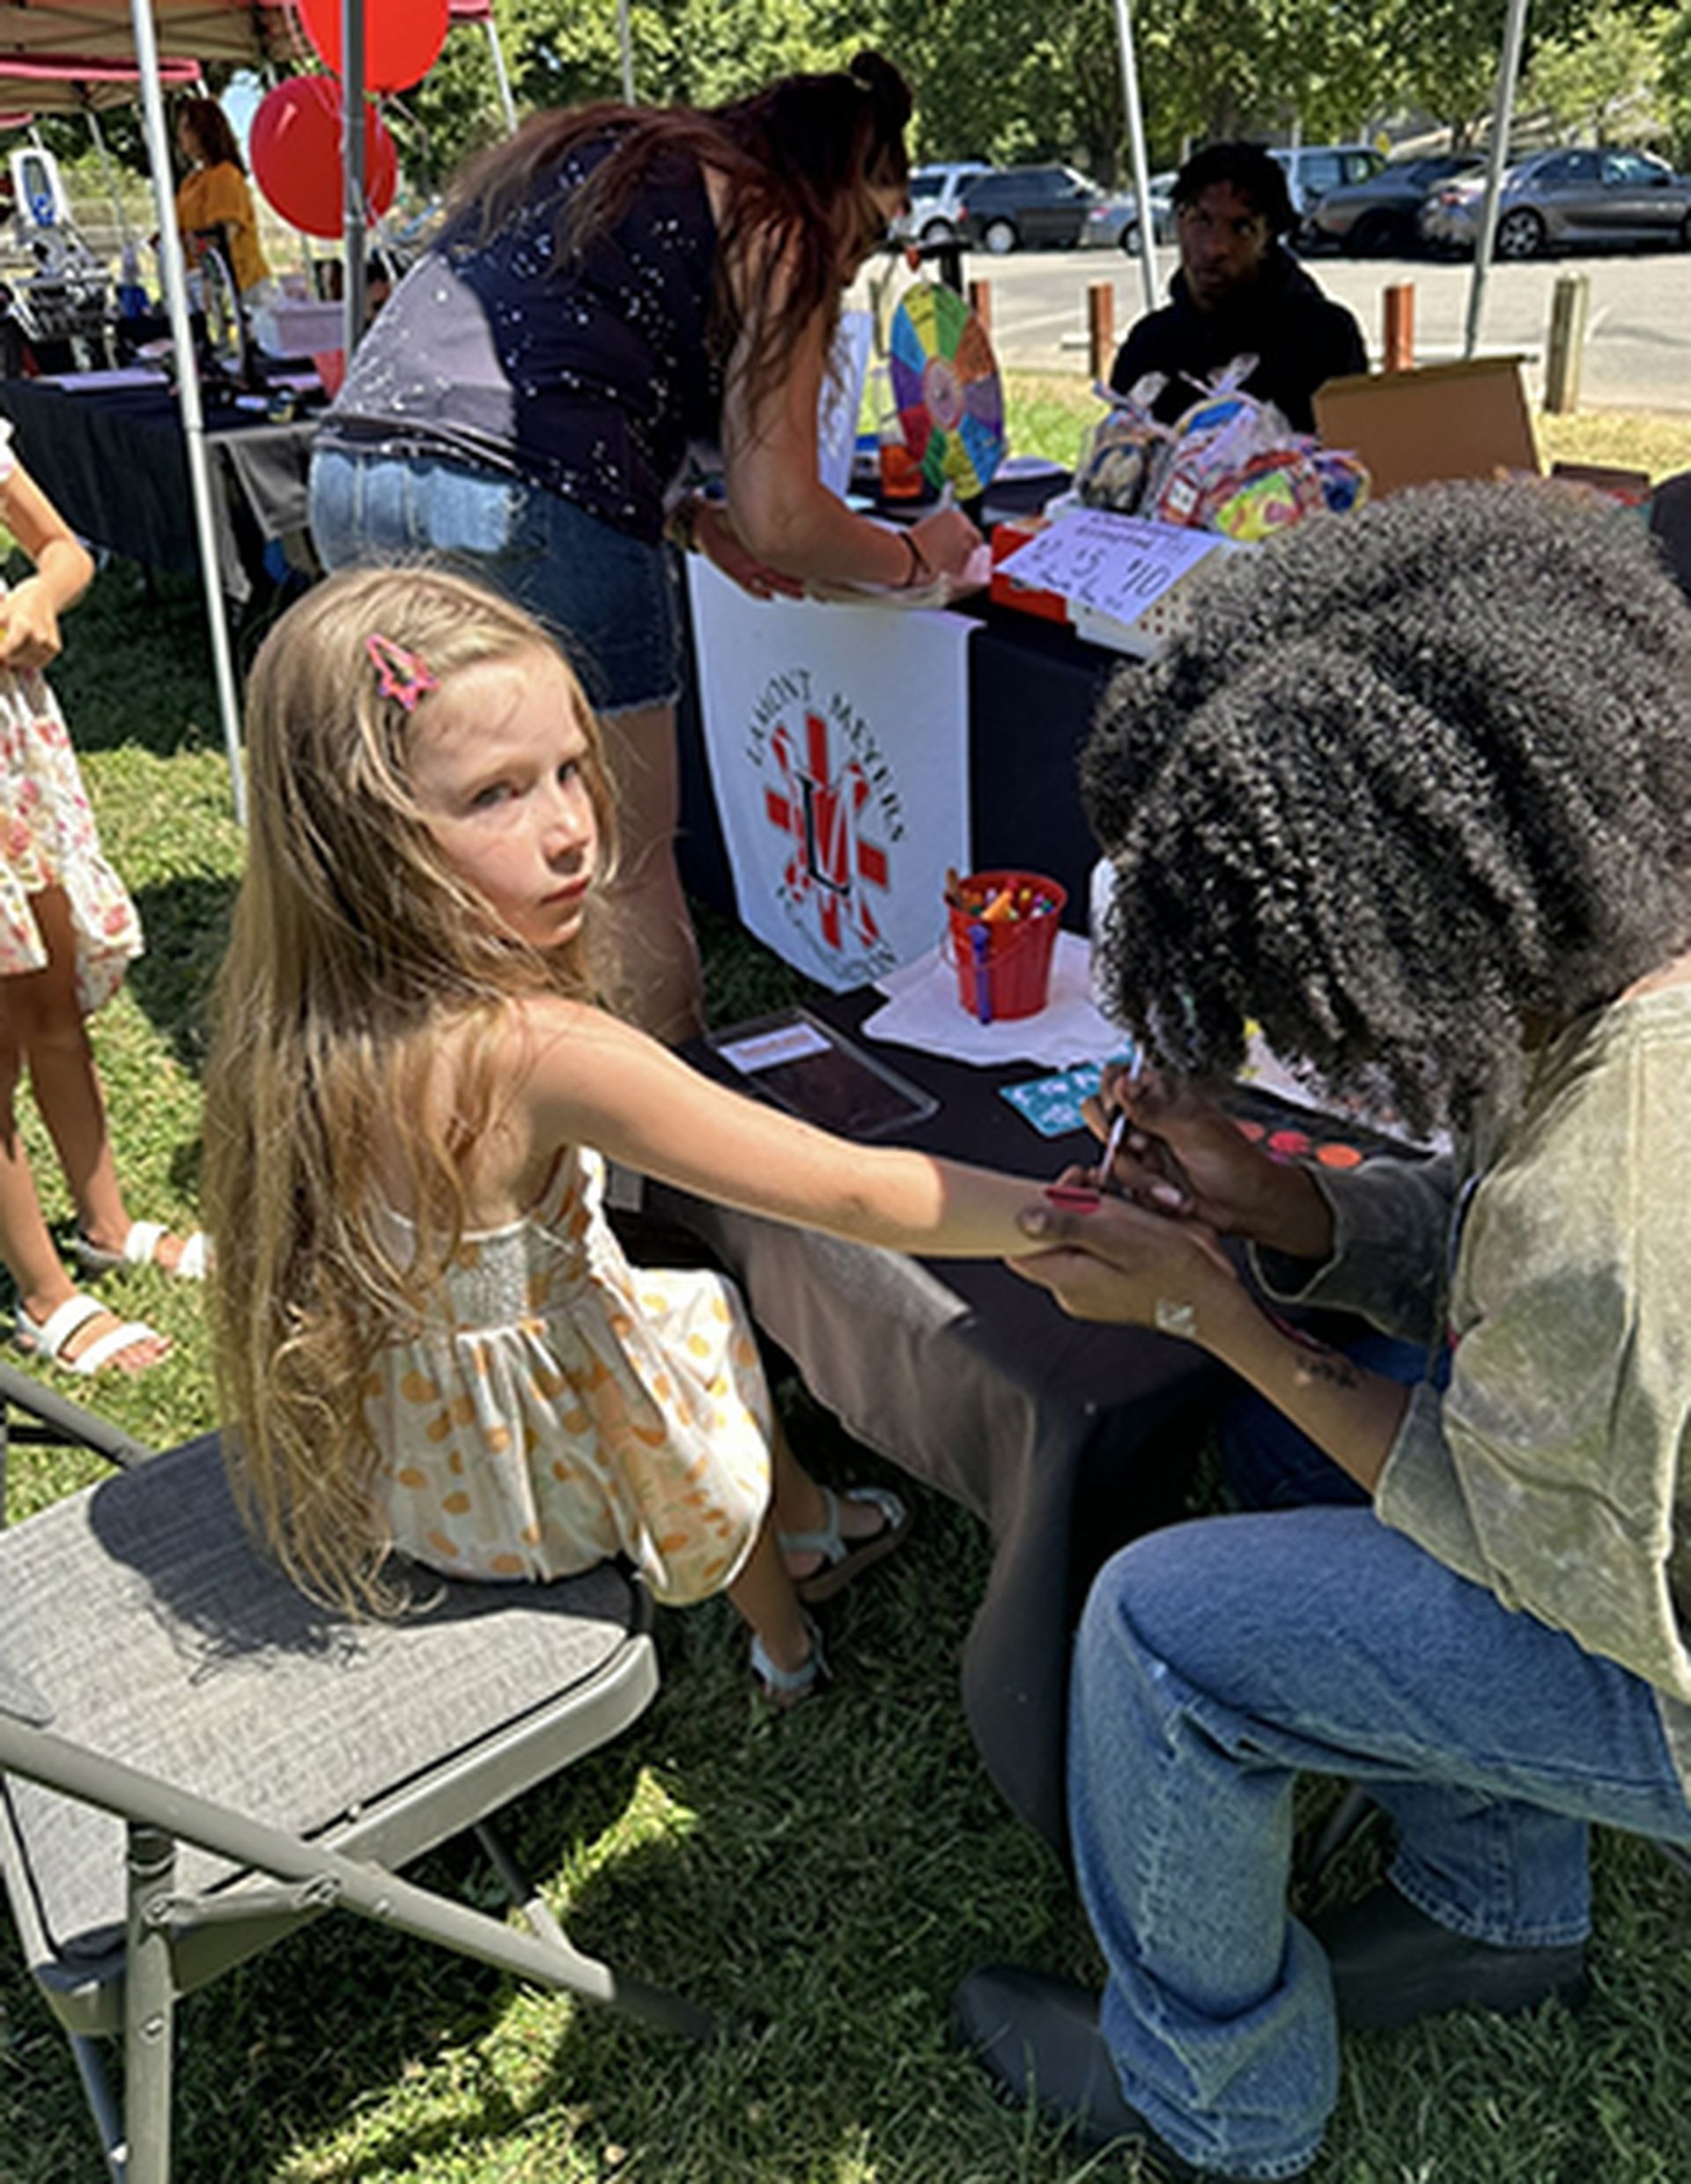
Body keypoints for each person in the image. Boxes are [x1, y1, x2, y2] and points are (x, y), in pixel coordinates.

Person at [951, 480, 1691, 2181]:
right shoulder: (1618, 963)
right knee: (1323, 1428)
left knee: (1162, 1632)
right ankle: (1486, 1912)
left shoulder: (1609, 1192)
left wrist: (1213, 1312)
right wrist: (1293, 1215)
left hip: (1659, 1654)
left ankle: (1214, 2102)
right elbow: (1494, 1263)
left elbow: (1507, 1526)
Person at [202, 564, 1042, 1703]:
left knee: (688, 1303)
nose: (571, 831)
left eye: (568, 771)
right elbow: (847, 1190)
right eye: (495, 794)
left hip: (413, 1470)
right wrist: (1061, 1215)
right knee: (697, 1362)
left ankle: (804, 1525)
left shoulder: (292, 1023)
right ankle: (784, 1639)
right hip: (536, 1487)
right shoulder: (541, 1052)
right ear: (364, 833)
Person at [307, 53, 980, 1046]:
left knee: (454, 839)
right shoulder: (777, 218)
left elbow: (557, 348)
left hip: (354, 478)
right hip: (530, 506)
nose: (854, 266)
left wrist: (682, 512)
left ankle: (472, 1118)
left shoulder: (612, 156)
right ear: (837, 181)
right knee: (617, 859)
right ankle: (669, 1169)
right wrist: (914, 559)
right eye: (870, 233)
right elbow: (785, 513)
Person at [0, 427, 210, 1377]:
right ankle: (43, 1293)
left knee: (49, 1003)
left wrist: (42, 592)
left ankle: (105, 1223)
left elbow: (64, 545)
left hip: (12, 756)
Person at [1108, 142, 1366, 433]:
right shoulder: (1150, 345)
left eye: (1241, 228)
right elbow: (1117, 462)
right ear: (1179, 224)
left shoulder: (1322, 340)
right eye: (1201, 221)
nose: (1215, 247)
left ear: (1268, 239)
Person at [172, 96, 272, 306]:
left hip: (240, 286)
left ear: (202, 131)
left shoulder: (225, 176)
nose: (180, 137)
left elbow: (223, 237)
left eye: (185, 129)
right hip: (203, 283)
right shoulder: (191, 182)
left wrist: (212, 280)